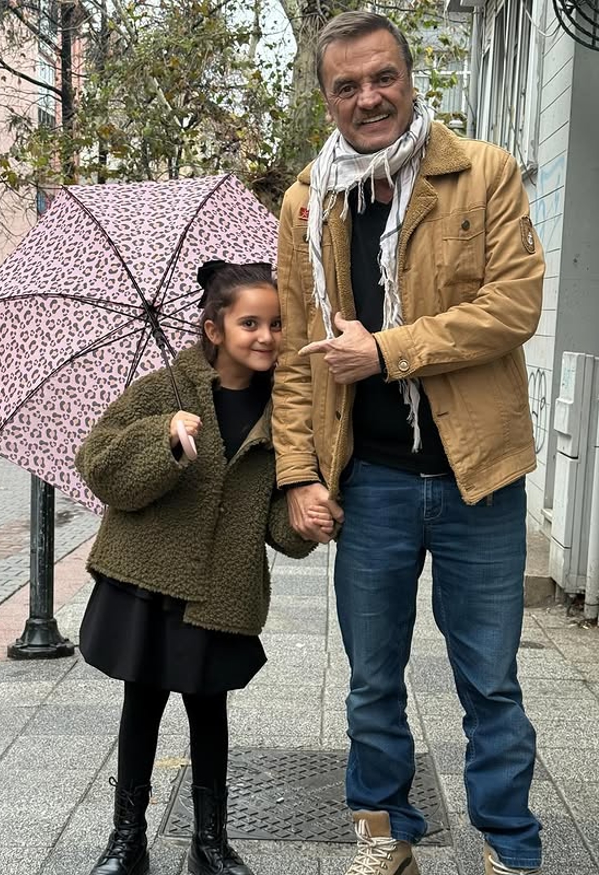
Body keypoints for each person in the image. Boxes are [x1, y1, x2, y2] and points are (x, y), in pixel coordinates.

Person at [272, 11, 545, 875]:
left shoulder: (484, 173)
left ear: (410, 76)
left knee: (490, 679)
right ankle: (385, 838)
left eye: (382, 77)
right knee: (371, 682)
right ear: (327, 98)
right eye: (347, 85)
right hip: (373, 480)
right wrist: (297, 474)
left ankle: (510, 848)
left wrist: (387, 351)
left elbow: (513, 307)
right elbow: (294, 355)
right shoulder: (308, 202)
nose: (369, 97)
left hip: (479, 475)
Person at [75, 260, 329, 875]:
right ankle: (127, 840)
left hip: (221, 587)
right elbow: (98, 464)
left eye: (276, 324)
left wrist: (307, 523)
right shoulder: (164, 390)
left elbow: (276, 523)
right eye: (250, 323)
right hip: (148, 577)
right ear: (214, 329)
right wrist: (162, 438)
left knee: (209, 709)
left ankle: (210, 843)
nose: (266, 336)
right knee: (142, 704)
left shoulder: (288, 411)